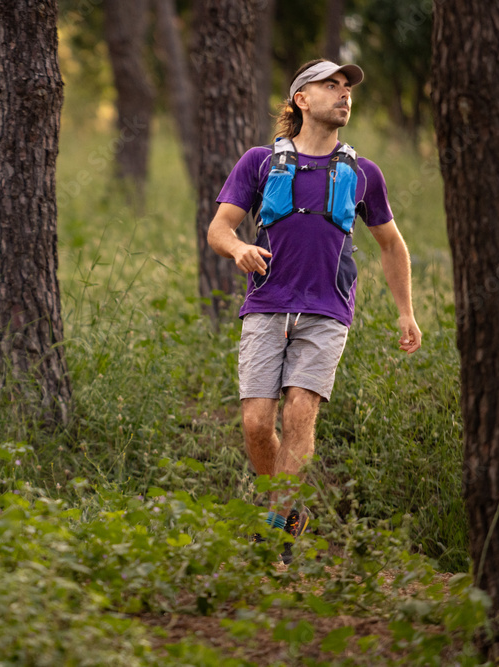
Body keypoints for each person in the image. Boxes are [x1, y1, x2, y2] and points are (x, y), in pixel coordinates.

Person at [207, 59, 422, 563]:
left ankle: (277, 530)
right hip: (266, 305)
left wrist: (406, 313)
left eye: (347, 88)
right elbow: (219, 228)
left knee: (300, 410)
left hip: (328, 310)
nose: (343, 94)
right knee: (258, 423)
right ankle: (283, 505)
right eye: (331, 86)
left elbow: (392, 246)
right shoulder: (260, 162)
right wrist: (237, 248)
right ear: (302, 99)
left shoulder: (363, 173)